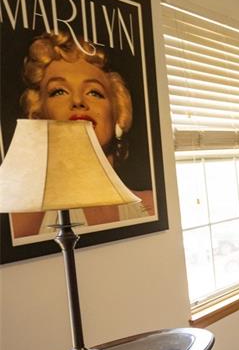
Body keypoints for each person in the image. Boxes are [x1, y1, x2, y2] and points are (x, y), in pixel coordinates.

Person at [10, 30, 154, 238]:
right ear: (39, 115)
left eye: (94, 92)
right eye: (59, 91)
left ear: (118, 113)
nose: (78, 101)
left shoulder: (151, 206)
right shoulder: (23, 219)